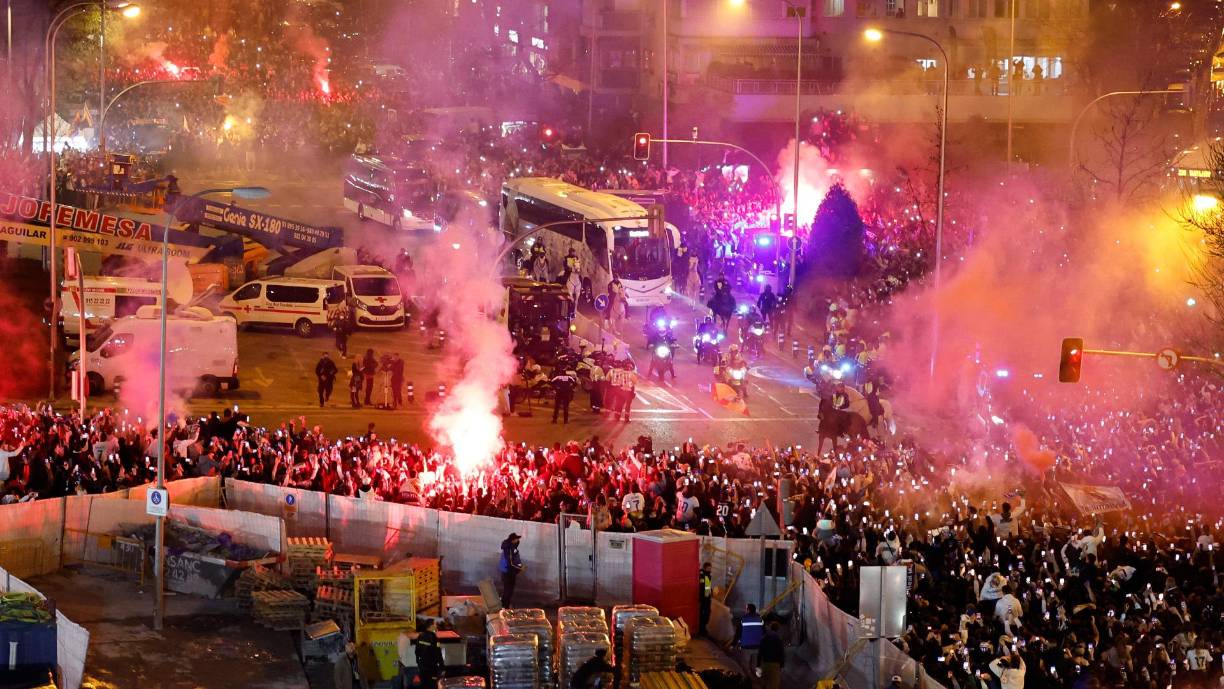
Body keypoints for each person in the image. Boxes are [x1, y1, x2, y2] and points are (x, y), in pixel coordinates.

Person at [415, 617, 443, 689]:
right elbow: (438, 653)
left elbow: (417, 651)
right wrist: (442, 666)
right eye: (435, 624)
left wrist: (419, 662)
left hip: (422, 667)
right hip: (431, 668)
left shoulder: (420, 636)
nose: (436, 626)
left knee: (424, 684)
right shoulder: (433, 637)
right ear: (431, 626)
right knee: (432, 685)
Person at [499, 532, 524, 608]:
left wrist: (519, 566)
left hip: (508, 572)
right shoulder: (509, 549)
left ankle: (504, 605)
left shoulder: (510, 548)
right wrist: (520, 568)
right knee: (508, 590)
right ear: (513, 540)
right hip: (508, 573)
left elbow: (515, 560)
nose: (518, 541)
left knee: (508, 590)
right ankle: (505, 606)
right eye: (516, 539)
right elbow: (511, 563)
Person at [758, 621, 785, 689]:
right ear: (777, 629)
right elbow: (781, 653)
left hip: (765, 663)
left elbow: (760, 652)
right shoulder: (778, 639)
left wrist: (758, 665)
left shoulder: (764, 638)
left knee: (764, 684)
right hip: (775, 664)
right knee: (774, 685)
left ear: (770, 628)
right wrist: (781, 665)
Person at [698, 561, 714, 636]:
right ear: (705, 568)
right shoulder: (702, 575)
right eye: (708, 568)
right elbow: (702, 586)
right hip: (704, 598)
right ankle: (702, 629)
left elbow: (707, 586)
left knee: (707, 613)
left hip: (707, 597)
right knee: (703, 613)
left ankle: (703, 628)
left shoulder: (707, 574)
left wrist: (711, 592)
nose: (710, 569)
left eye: (710, 568)